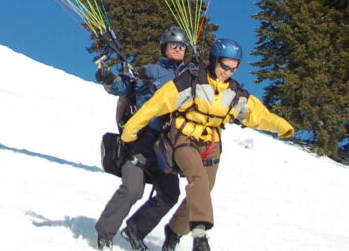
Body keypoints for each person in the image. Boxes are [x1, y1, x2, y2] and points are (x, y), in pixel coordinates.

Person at [120, 38, 294, 251]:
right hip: (183, 137)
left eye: (233, 68)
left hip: (211, 142)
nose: (227, 72)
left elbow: (258, 114)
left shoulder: (234, 92)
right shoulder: (191, 81)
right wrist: (131, 130)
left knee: (205, 188)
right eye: (224, 66)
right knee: (198, 180)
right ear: (214, 61)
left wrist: (281, 126)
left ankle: (174, 230)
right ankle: (199, 236)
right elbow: (156, 105)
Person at [95, 26, 192, 250]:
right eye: (173, 45)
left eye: (182, 46)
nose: (178, 49)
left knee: (170, 193)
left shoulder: (192, 76)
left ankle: (134, 231)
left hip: (167, 149)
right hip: (142, 141)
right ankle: (105, 234)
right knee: (133, 189)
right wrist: (108, 78)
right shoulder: (151, 71)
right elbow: (124, 86)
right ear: (165, 47)